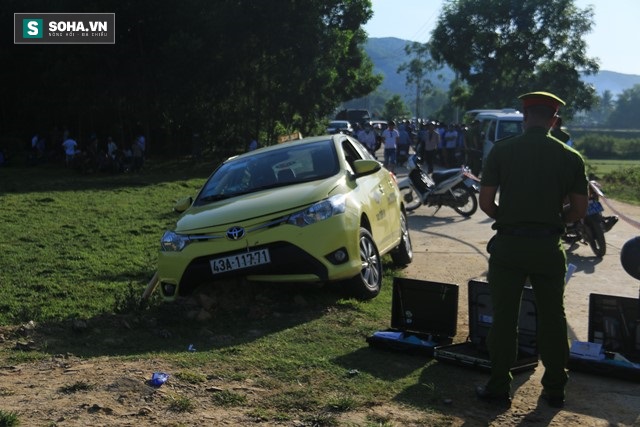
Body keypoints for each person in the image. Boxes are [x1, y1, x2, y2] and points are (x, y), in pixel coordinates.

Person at [477, 91, 588, 409]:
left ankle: (499, 386)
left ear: (524, 118)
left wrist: (509, 219)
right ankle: (554, 389)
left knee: (504, 318)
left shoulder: (502, 150)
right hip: (547, 247)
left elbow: (486, 203)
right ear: (554, 121)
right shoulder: (570, 157)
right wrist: (554, 222)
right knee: (553, 317)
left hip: (509, 246)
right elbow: (579, 210)